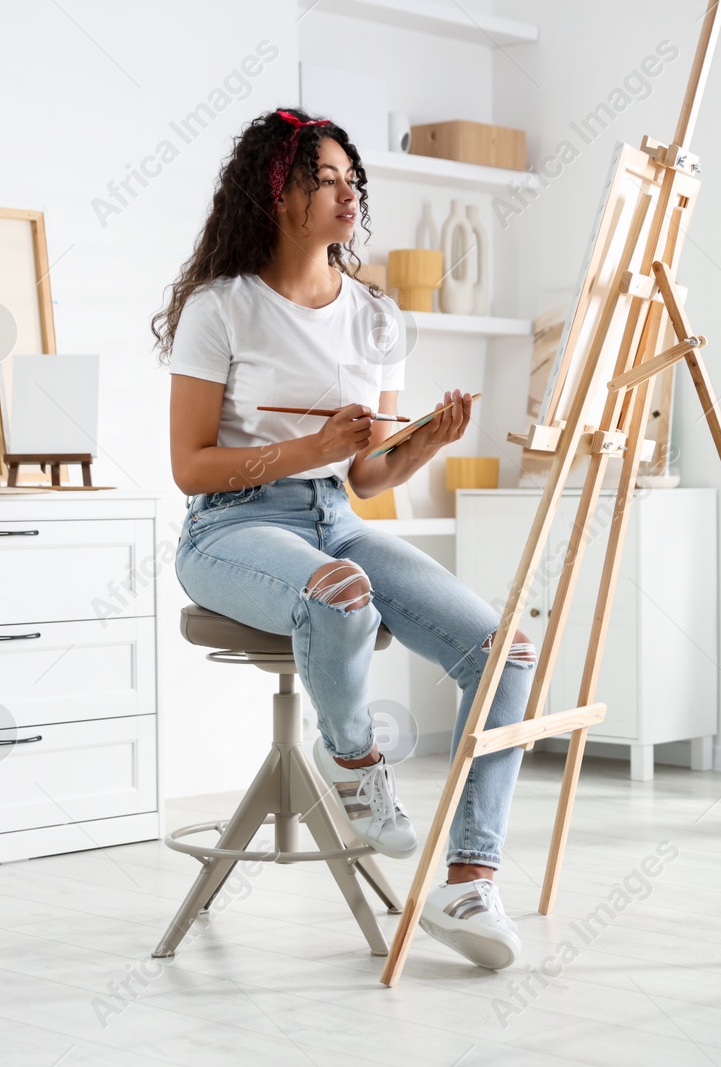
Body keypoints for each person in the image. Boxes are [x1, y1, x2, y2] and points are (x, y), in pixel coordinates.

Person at [154, 107, 536, 970]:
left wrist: (419, 446)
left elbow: (364, 478)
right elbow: (189, 466)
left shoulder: (375, 316)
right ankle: (354, 762)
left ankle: (471, 877)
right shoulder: (221, 310)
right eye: (325, 178)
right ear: (277, 191)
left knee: (506, 652)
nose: (346, 194)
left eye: (351, 180)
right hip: (233, 526)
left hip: (336, 517)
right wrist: (309, 449)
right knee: (340, 593)